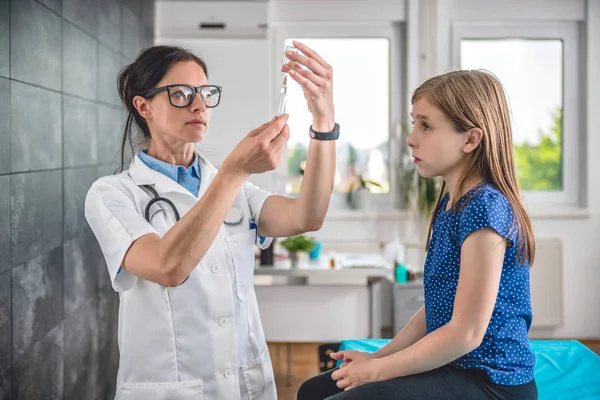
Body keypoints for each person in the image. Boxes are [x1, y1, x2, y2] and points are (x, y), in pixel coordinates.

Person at [84, 42, 337, 400]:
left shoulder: (235, 188)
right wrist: (234, 171)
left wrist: (323, 123)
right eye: (182, 94)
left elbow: (307, 216)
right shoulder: (112, 194)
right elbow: (168, 266)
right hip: (171, 389)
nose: (199, 105)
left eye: (205, 93)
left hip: (247, 385)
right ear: (143, 106)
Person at [297, 70, 538, 400]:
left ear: (470, 139)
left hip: (491, 382)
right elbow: (438, 308)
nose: (412, 138)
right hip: (454, 366)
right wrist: (378, 358)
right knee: (313, 391)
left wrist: (377, 372)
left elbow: (466, 333)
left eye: (426, 125)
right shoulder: (451, 203)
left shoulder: (486, 207)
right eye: (414, 123)